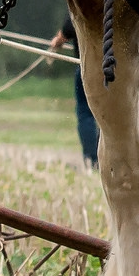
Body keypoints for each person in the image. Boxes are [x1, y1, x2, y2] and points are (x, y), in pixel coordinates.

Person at [49, 14, 99, 169]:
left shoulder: (81, 6)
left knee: (85, 113)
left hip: (87, 69)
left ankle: (92, 158)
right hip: (117, 69)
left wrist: (55, 44)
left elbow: (63, 34)